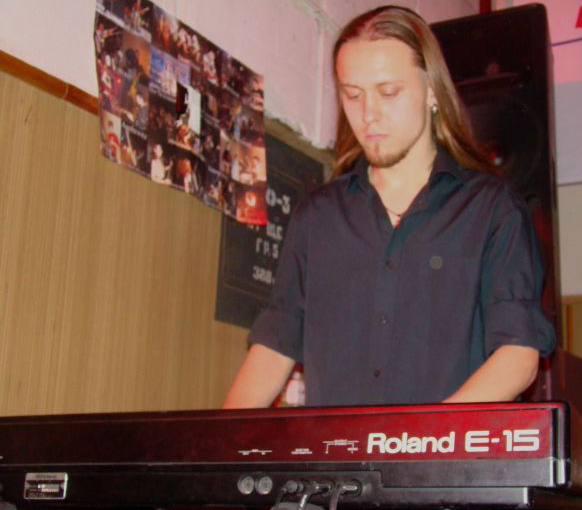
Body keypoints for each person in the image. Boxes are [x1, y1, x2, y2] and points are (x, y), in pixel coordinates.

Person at [224, 5, 555, 409]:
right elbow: (275, 346)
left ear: (432, 91)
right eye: (353, 95)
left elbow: (518, 356)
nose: (368, 115)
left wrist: (423, 438)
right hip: (337, 453)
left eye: (389, 92)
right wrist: (217, 443)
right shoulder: (317, 216)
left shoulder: (492, 210)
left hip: (441, 451)